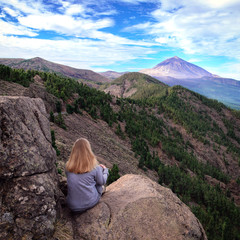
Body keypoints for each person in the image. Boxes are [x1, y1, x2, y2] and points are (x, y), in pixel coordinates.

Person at [65, 138, 109, 213]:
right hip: (89, 203)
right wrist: (105, 171)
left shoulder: (68, 166)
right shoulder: (95, 167)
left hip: (72, 206)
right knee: (98, 184)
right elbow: (102, 181)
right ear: (88, 150)